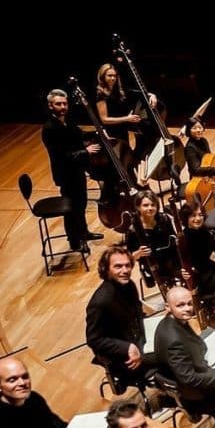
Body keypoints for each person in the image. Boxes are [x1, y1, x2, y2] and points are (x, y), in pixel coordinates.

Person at [152, 284, 215, 413]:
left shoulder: (168, 322)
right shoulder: (174, 340)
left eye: (189, 304)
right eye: (180, 305)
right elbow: (189, 379)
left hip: (200, 369)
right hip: (201, 394)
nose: (187, 309)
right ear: (167, 307)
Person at [40, 88, 103, 250]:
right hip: (65, 173)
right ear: (50, 106)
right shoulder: (49, 128)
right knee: (71, 208)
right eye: (58, 104)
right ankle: (74, 240)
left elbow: (79, 134)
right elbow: (61, 155)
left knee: (81, 204)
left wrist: (97, 132)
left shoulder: (67, 120)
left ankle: (84, 232)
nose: (63, 107)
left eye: (65, 103)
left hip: (77, 169)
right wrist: (85, 152)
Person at [86, 246, 151, 391]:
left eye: (128, 265)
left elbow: (138, 313)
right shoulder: (100, 302)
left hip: (138, 339)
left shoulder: (129, 285)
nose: (125, 270)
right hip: (122, 355)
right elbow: (94, 340)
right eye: (118, 266)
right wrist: (127, 347)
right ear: (106, 269)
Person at [122, 192, 179, 291]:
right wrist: (139, 253)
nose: (150, 208)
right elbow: (129, 257)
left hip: (171, 258)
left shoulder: (164, 219)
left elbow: (173, 237)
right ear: (138, 207)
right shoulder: (133, 230)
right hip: (152, 264)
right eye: (145, 205)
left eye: (153, 205)